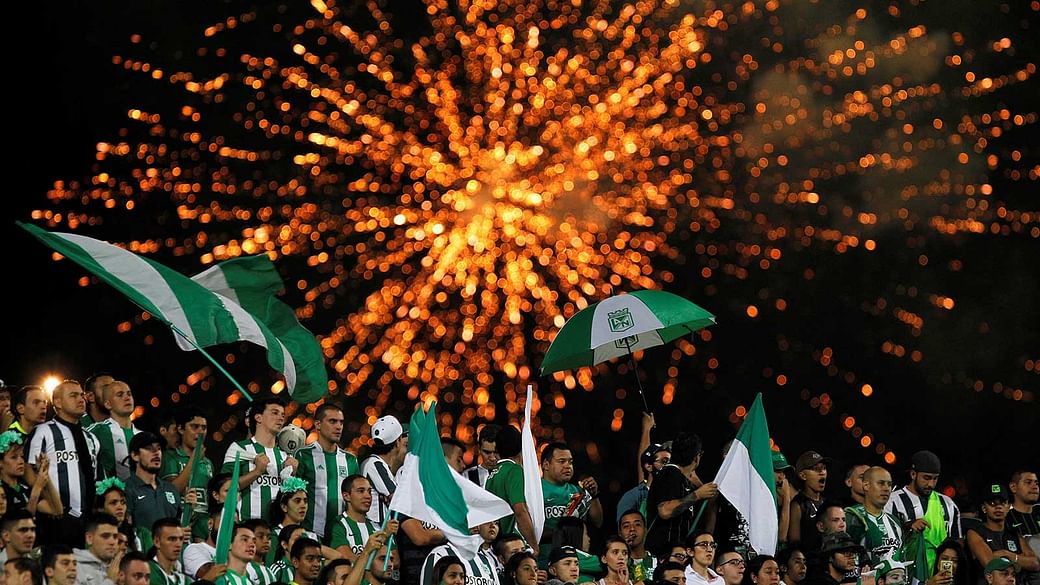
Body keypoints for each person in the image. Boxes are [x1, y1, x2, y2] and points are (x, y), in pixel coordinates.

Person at [25, 380, 101, 547]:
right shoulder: (43, 432)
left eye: (82, 395)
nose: (81, 399)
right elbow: (29, 471)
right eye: (73, 396)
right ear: (57, 402)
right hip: (55, 521)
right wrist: (51, 504)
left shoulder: (92, 439)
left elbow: (96, 478)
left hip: (88, 522)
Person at [885, 451, 962, 574]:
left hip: (942, 576)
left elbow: (957, 543)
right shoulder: (893, 502)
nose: (931, 484)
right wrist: (907, 527)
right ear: (913, 474)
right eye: (926, 478)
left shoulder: (948, 504)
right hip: (906, 574)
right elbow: (885, 541)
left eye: (935, 478)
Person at [222, 398, 298, 521]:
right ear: (258, 418)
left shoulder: (286, 457)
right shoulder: (239, 449)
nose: (281, 418)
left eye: (283, 415)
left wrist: (294, 477)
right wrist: (257, 472)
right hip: (246, 527)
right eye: (275, 413)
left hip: (275, 530)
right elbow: (224, 488)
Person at [645, 432, 718, 556]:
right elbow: (665, 510)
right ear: (697, 457)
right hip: (663, 554)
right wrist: (697, 495)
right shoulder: (670, 475)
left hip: (677, 554)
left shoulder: (681, 478)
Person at [295, 403, 358, 543]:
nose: (338, 426)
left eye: (341, 422)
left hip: (342, 536)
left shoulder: (350, 460)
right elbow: (294, 496)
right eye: (332, 421)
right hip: (311, 534)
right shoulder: (303, 455)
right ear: (318, 424)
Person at [965, 483, 1039, 584]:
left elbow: (1035, 563)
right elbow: (990, 563)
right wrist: (1020, 558)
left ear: (1008, 507)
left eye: (1002, 503)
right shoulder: (975, 532)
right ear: (984, 508)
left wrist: (1007, 554)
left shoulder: (1014, 534)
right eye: (992, 503)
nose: (998, 507)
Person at [160, 408, 213, 543]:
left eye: (204, 428)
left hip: (204, 529)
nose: (200, 432)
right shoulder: (170, 457)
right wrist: (194, 461)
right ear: (181, 429)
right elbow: (172, 491)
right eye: (194, 427)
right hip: (181, 525)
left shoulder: (208, 462)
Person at [540, 442, 603, 555]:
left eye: (570, 462)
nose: (568, 466)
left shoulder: (577, 491)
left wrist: (593, 495)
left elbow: (597, 522)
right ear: (546, 465)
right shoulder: (535, 490)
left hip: (575, 558)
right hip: (545, 558)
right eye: (561, 461)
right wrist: (561, 533)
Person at [125, 432, 184, 550]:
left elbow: (179, 523)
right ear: (135, 455)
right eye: (149, 449)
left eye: (158, 448)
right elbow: (127, 530)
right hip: (143, 557)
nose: (156, 452)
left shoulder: (170, 489)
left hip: (171, 559)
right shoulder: (126, 489)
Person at [485, 426, 539, 554]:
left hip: (498, 544)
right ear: (521, 448)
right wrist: (533, 545)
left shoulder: (492, 474)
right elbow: (520, 510)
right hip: (512, 545)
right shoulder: (514, 470)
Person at [845, 467, 903, 565]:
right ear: (866, 485)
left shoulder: (894, 522)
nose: (886, 488)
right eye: (881, 483)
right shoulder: (851, 517)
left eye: (889, 484)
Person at [87, 380, 140, 480]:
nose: (127, 397)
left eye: (129, 394)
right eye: (120, 395)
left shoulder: (142, 435)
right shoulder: (96, 432)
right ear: (108, 404)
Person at [360, 415, 408, 526]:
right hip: (376, 531)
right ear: (397, 441)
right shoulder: (375, 464)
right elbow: (398, 500)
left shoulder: (377, 464)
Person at [0, 431, 62, 516]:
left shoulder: (24, 488)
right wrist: (37, 487)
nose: (21, 461)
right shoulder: (1, 490)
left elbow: (57, 510)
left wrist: (45, 474)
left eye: (22, 456)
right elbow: (25, 519)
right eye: (14, 457)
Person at [617, 442, 670, 526]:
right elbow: (625, 532)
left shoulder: (674, 493)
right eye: (664, 462)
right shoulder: (633, 496)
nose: (669, 466)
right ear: (648, 466)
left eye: (671, 462)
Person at [790, 451, 832, 552]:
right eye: (816, 469)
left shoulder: (828, 504)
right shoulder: (798, 505)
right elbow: (794, 544)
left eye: (824, 468)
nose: (822, 472)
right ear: (803, 475)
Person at [331, 475, 380, 560]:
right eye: (361, 491)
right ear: (346, 496)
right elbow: (347, 558)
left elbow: (395, 560)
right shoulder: (337, 525)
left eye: (369, 491)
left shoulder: (377, 527)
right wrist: (368, 551)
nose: (368, 496)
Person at [74, 514, 122, 585]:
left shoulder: (122, 566)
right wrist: (110, 582)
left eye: (115, 537)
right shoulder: (73, 568)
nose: (112, 542)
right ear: (89, 538)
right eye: (105, 536)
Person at [149, 518, 189, 585]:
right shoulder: (148, 571)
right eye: (172, 539)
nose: (178, 544)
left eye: (181, 539)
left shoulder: (183, 579)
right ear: (157, 542)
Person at [619, 510, 655, 583]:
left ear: (645, 530)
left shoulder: (657, 562)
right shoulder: (615, 563)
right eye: (626, 526)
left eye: (637, 524)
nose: (632, 529)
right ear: (620, 533)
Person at [463, 424, 500, 488]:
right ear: (479, 449)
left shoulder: (513, 474)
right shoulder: (467, 477)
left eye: (496, 452)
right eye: (487, 452)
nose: (492, 458)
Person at [1007, 471, 1038, 539]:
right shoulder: (1005, 517)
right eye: (1028, 482)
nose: (1035, 487)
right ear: (1013, 487)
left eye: (1036, 483)